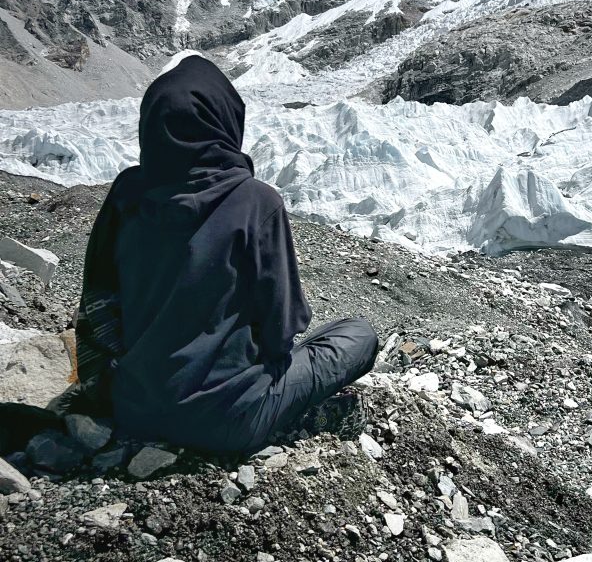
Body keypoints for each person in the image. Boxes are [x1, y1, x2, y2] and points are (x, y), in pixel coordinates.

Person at [74, 54, 378, 454]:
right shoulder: (255, 201)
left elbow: (96, 300)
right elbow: (284, 325)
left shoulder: (126, 193)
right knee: (359, 335)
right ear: (225, 120)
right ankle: (289, 417)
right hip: (229, 420)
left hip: (131, 409)